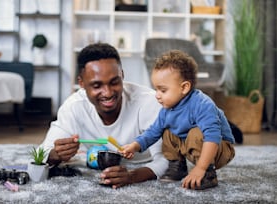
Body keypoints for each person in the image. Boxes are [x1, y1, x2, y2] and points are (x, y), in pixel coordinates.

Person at [39, 43, 168, 189]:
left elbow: (169, 161)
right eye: (96, 86)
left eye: (114, 82)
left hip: (145, 163)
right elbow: (40, 153)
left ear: (122, 75)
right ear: (81, 83)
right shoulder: (74, 106)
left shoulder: (149, 102)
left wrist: (132, 176)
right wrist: (55, 154)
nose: (107, 93)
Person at [120, 50, 235, 190]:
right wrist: (135, 145)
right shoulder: (166, 111)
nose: (157, 95)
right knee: (167, 132)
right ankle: (177, 166)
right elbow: (153, 131)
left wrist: (200, 167)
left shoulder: (202, 104)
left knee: (196, 133)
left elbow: (212, 137)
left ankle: (208, 173)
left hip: (220, 148)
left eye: (162, 90)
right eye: (155, 89)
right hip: (195, 146)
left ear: (184, 87)